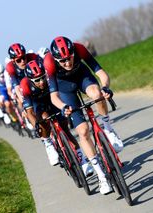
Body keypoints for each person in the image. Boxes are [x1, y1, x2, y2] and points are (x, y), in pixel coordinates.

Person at [44, 36, 123, 194]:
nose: (67, 63)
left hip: (82, 76)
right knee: (83, 131)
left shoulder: (79, 48)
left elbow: (102, 74)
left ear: (73, 52)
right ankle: (101, 177)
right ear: (56, 59)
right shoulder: (49, 63)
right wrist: (64, 106)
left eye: (69, 58)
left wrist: (105, 88)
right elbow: (54, 97)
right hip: (65, 88)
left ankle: (107, 128)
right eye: (63, 61)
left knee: (96, 93)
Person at [20, 58, 93, 176]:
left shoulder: (50, 77)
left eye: (43, 77)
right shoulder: (25, 85)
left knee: (66, 130)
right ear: (30, 80)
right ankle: (48, 142)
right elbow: (29, 112)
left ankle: (83, 161)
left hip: (52, 99)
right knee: (43, 119)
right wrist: (37, 127)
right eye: (37, 80)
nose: (41, 82)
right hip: (38, 104)